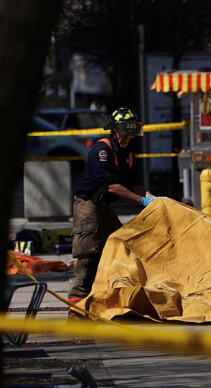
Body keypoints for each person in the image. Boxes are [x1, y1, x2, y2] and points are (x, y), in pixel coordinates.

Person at [67, 107, 155, 317]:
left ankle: (107, 295)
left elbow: (134, 185)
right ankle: (77, 305)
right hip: (89, 205)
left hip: (105, 206)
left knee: (119, 245)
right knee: (89, 253)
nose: (128, 137)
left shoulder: (128, 154)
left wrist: (153, 199)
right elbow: (112, 186)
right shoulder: (102, 150)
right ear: (115, 131)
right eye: (125, 131)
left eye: (132, 132)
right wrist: (140, 200)